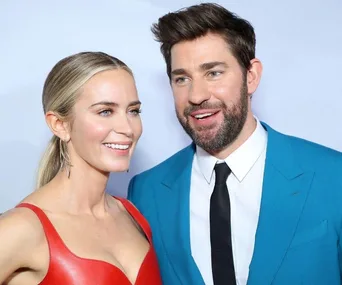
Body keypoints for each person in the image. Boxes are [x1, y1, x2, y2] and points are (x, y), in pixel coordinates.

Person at [128, 3, 342, 285]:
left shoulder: (333, 176)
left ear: (251, 76)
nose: (196, 95)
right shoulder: (146, 191)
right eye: (182, 78)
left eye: (213, 73)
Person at [0, 51, 162, 285]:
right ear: (60, 124)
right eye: (105, 111)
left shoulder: (132, 216)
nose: (127, 127)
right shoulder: (22, 229)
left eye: (133, 111)